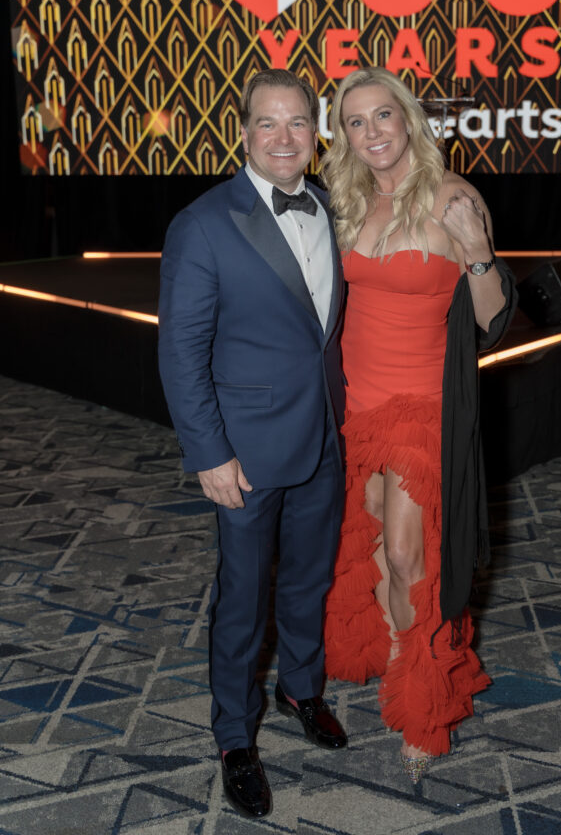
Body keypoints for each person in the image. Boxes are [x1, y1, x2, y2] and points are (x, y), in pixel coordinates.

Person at [158, 69, 348, 821]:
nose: (283, 137)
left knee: (307, 584)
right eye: (267, 123)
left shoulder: (333, 208)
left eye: (297, 123)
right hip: (241, 451)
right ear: (242, 132)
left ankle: (300, 689)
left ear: (314, 132)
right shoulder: (203, 223)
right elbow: (181, 352)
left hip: (322, 439)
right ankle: (234, 738)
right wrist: (208, 453)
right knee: (243, 600)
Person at [320, 67, 516, 783]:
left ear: (407, 120)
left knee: (411, 556)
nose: (371, 132)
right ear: (342, 135)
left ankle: (424, 694)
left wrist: (476, 251)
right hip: (353, 405)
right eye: (354, 121)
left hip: (421, 407)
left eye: (382, 116)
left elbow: (493, 319)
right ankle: (400, 656)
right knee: (369, 537)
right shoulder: (345, 200)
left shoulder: (453, 198)